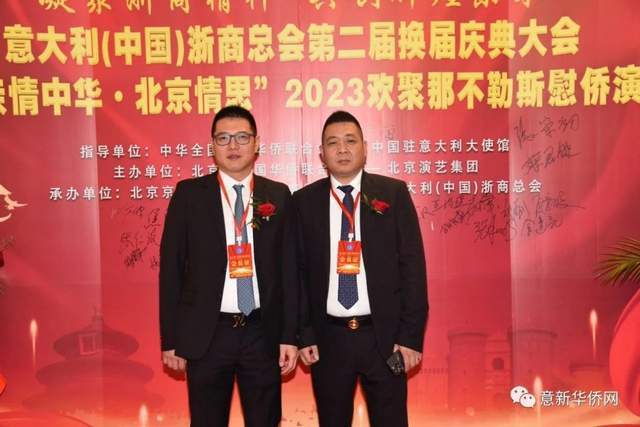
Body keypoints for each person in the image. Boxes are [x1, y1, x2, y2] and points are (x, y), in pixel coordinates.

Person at [159, 105, 298, 427]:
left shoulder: (278, 195)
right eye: (223, 138)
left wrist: (289, 336)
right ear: (212, 146)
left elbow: (290, 272)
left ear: (257, 143)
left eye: (242, 137)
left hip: (262, 332)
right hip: (208, 334)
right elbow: (171, 272)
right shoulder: (189, 195)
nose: (233, 146)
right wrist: (171, 340)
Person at [294, 111, 428, 427]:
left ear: (365, 148)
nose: (342, 149)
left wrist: (410, 338)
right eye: (333, 143)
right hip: (328, 341)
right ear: (321, 154)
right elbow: (296, 274)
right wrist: (304, 333)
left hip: (385, 340)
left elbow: (412, 267)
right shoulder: (303, 202)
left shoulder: (393, 194)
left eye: (350, 141)